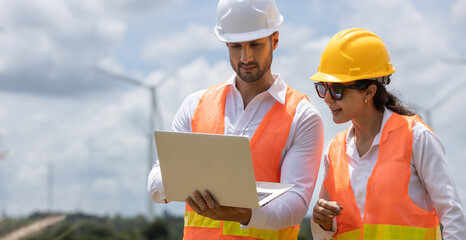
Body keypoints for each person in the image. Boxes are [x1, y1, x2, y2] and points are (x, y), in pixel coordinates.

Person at [147, 0, 324, 239]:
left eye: (255, 45)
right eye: (235, 46)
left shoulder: (302, 116)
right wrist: (186, 181)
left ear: (275, 40)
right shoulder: (195, 106)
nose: (246, 57)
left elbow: (296, 204)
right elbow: (156, 185)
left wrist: (242, 212)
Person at [309, 28, 466, 240]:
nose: (327, 98)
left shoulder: (416, 138)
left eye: (336, 89)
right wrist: (323, 224)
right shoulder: (333, 152)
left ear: (369, 92)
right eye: (322, 87)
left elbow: (454, 217)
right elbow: (326, 235)